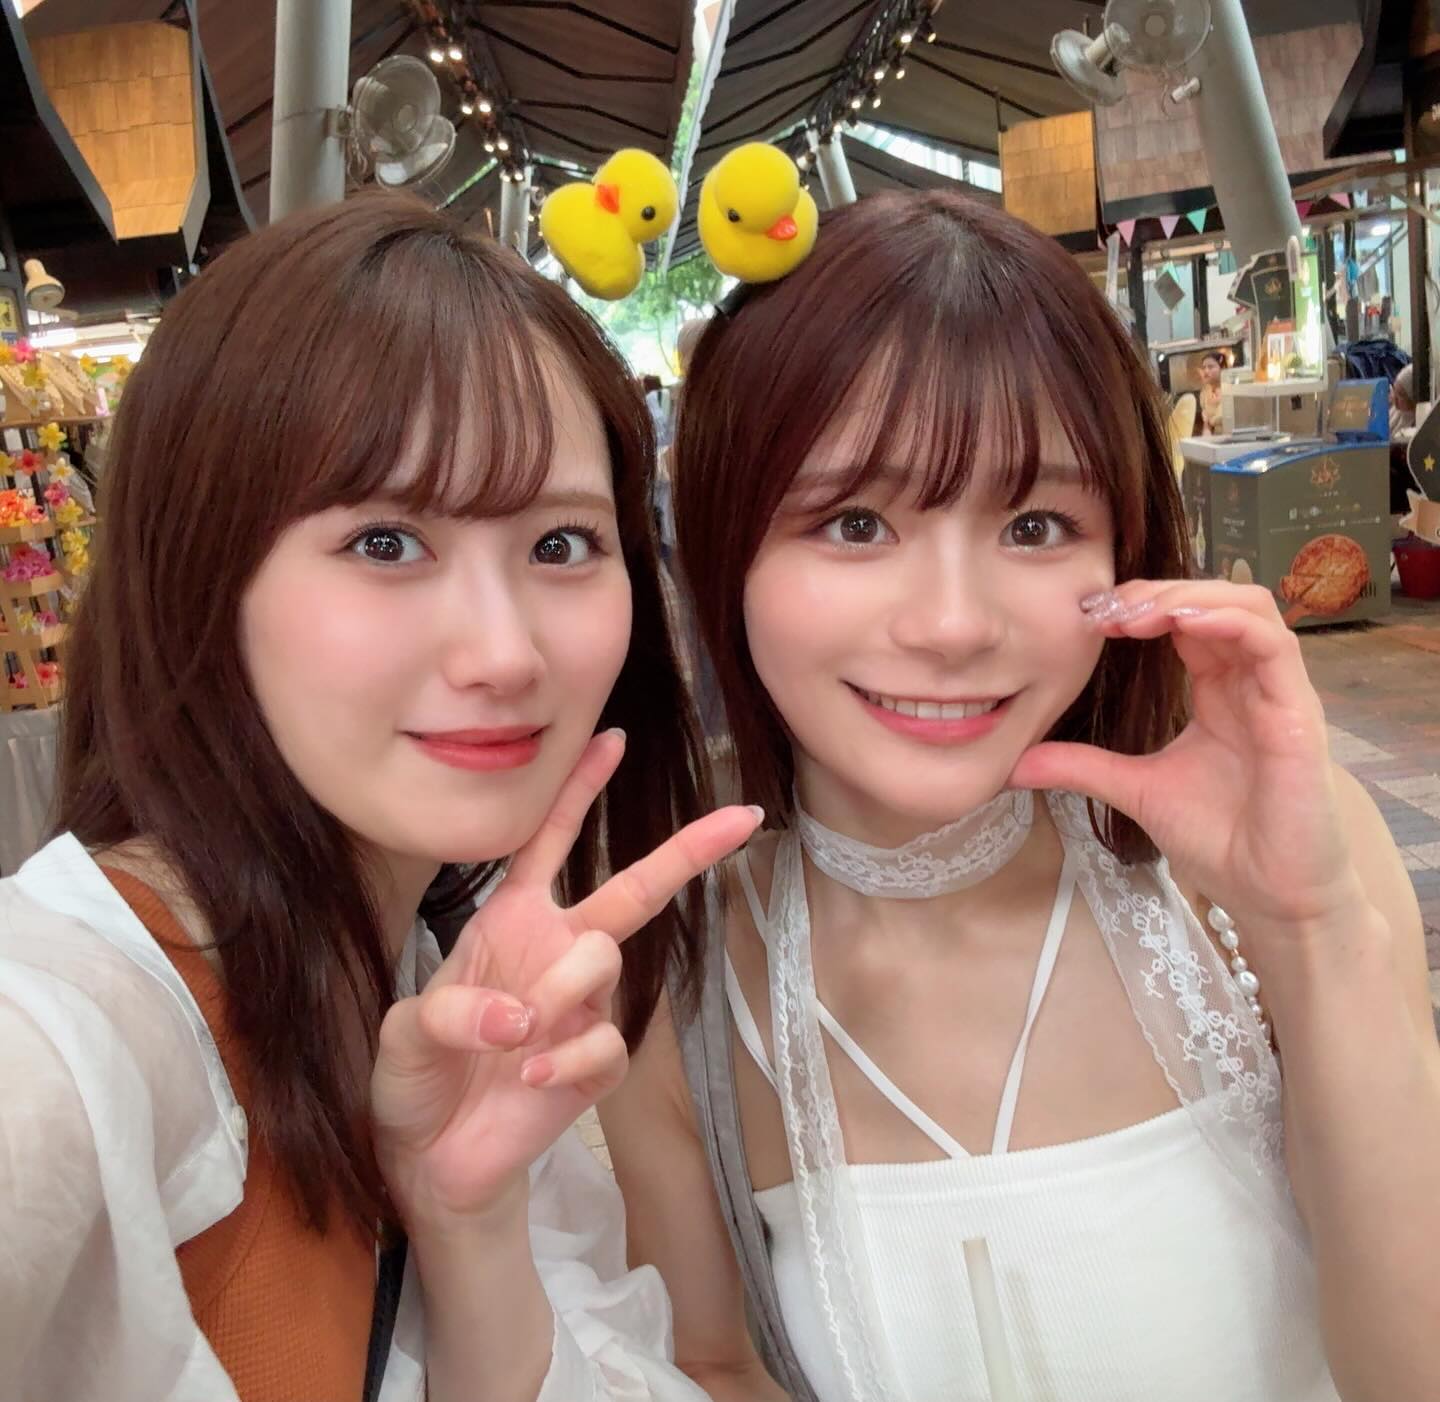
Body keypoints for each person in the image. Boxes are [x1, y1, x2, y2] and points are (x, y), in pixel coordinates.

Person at [601, 191, 1440, 1402]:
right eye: (855, 522)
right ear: (726, 548)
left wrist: (1313, 933)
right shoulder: (677, 981)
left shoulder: (1272, 867)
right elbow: (713, 1359)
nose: (953, 626)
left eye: (1037, 523)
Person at [0, 192, 760, 1401]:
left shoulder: (428, 977)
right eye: (386, 542)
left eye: (560, 544)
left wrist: (465, 1217)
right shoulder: (78, 1021)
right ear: (198, 572)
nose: (504, 653)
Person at [1196, 348, 1225, 435]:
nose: (1206, 371)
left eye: (1211, 367)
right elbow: (1206, 424)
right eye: (1204, 367)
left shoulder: (1229, 390)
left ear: (1222, 368)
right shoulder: (1205, 392)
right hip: (1215, 438)